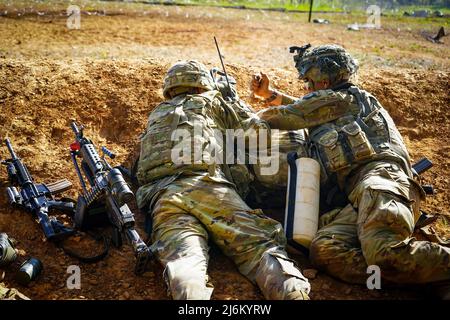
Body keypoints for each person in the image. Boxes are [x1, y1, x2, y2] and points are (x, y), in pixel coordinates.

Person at [251, 44, 450, 290]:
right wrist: (271, 95)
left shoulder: (338, 99)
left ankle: (419, 270)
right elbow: (310, 110)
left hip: (379, 181)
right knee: (324, 250)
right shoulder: (344, 101)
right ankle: (424, 278)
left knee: (383, 255)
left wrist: (242, 117)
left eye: (309, 81)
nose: (307, 87)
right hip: (359, 195)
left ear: (322, 80)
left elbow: (286, 116)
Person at [135, 60, 311, 300]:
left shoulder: (157, 114)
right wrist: (233, 102)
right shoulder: (211, 101)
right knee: (258, 247)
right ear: (201, 86)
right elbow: (257, 135)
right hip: (208, 187)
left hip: (164, 198)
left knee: (185, 261)